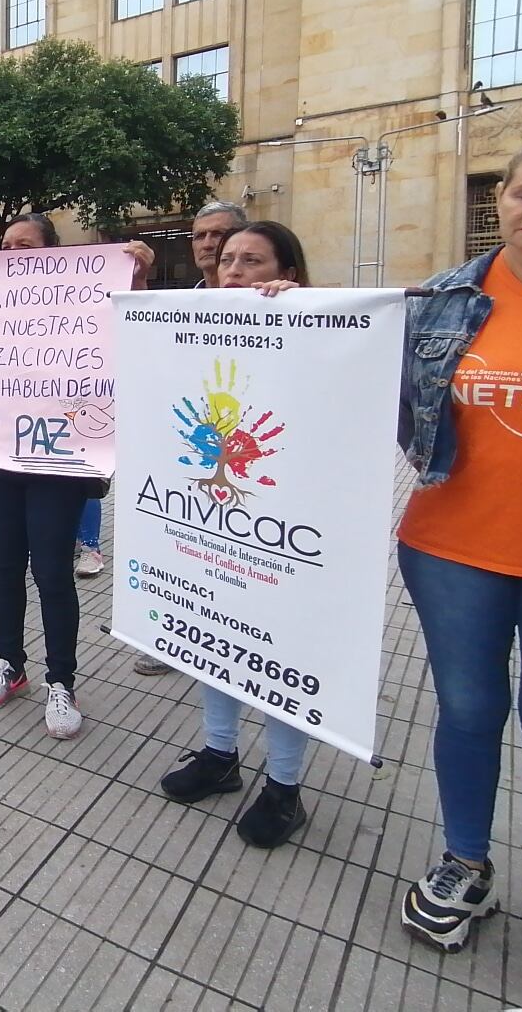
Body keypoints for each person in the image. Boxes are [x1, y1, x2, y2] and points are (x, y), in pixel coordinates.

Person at [395, 129, 522, 994]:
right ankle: (464, 860)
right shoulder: (445, 299)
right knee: (469, 708)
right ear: (502, 200)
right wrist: (275, 309)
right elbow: (340, 354)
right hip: (451, 548)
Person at [0, 214, 152, 740]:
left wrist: (135, 277)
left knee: (52, 573)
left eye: (25, 246)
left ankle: (61, 680)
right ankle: (9, 663)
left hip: (54, 464)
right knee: (4, 571)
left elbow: (127, 330)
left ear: (51, 254)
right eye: (5, 245)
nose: (13, 253)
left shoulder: (82, 302)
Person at [157, 220, 316, 848]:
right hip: (216, 519)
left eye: (252, 260)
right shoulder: (198, 323)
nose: (235, 270)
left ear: (288, 272)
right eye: (227, 260)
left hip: (278, 525)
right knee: (217, 643)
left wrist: (300, 313)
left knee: (277, 655)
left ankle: (285, 788)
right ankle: (220, 756)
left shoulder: (313, 329)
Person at [128, 197, 256, 675]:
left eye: (218, 234)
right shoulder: (182, 303)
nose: (208, 244)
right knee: (187, 547)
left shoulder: (284, 302)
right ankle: (176, 639)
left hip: (250, 457)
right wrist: (138, 282)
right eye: (200, 235)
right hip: (191, 451)